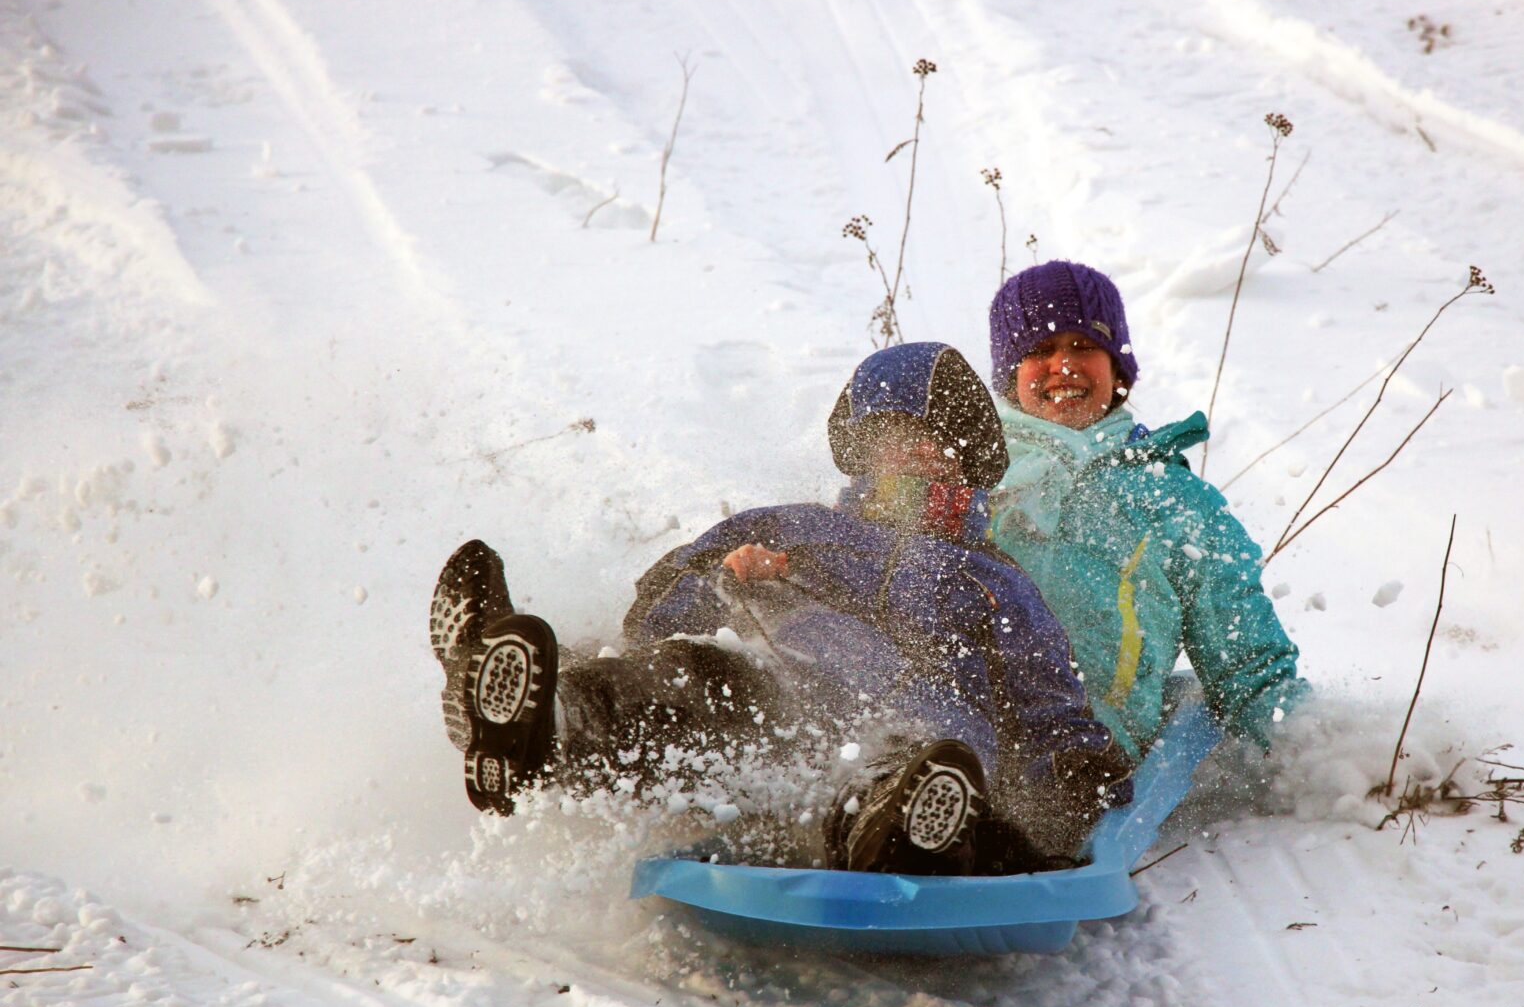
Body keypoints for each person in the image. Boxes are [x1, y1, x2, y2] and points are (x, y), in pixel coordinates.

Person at [428, 342, 1132, 876]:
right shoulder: (789, 525)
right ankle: (539, 716)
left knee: (910, 759)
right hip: (773, 711)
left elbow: (1047, 703)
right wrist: (724, 582)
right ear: (864, 450)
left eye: (936, 435)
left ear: (969, 456)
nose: (917, 451)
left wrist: (1076, 771)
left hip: (918, 738)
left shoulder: (994, 579)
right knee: (690, 673)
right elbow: (652, 612)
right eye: (894, 434)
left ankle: (896, 824)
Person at [985, 260, 1307, 761]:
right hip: (959, 722)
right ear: (1011, 377)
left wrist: (1321, 756)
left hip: (1088, 752)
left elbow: (1244, 659)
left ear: (1117, 371)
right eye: (1040, 350)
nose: (1063, 364)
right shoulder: (968, 472)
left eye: (1084, 346)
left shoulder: (1172, 500)